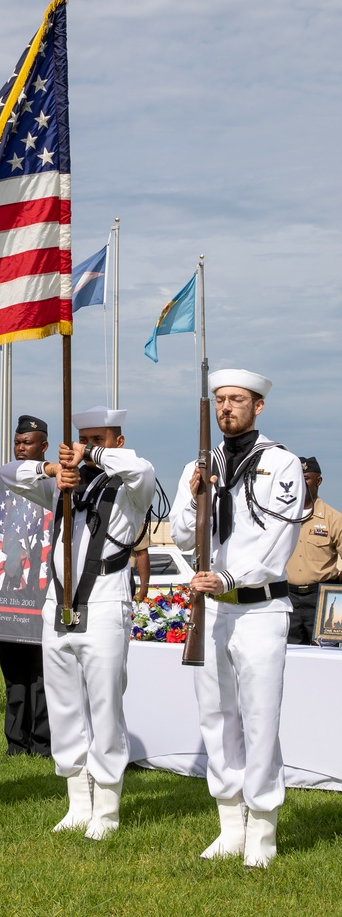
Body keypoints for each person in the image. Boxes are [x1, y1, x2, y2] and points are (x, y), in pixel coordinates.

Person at [0, 406, 156, 840]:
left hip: (105, 601)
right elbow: (8, 474)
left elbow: (141, 468)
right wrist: (55, 468)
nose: (86, 449)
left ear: (116, 442)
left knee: (105, 704)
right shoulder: (63, 487)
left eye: (98, 439)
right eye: (80, 439)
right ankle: (77, 800)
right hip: (59, 602)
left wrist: (91, 455)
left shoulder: (131, 489)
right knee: (63, 702)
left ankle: (106, 806)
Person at [170, 370, 304, 868]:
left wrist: (228, 576)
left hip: (261, 607)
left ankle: (263, 830)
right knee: (217, 715)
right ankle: (230, 823)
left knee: (260, 717)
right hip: (213, 609)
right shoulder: (201, 464)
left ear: (258, 406)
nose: (227, 407)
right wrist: (194, 492)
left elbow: (275, 544)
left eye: (237, 400)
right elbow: (184, 536)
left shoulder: (281, 463)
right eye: (220, 400)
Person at [0, 414, 52, 759]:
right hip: (10, 591)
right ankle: (17, 742)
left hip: (45, 589)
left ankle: (44, 742)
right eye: (17, 443)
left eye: (27, 443)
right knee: (15, 673)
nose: (20, 448)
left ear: (43, 446)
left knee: (44, 673)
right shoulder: (3, 482)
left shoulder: (55, 482)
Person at [286, 458, 342, 645]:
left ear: (318, 481)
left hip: (322, 597)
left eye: (307, 478)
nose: (302, 483)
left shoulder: (333, 519)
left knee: (325, 654)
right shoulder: (281, 517)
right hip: (287, 596)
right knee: (288, 652)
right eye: (297, 478)